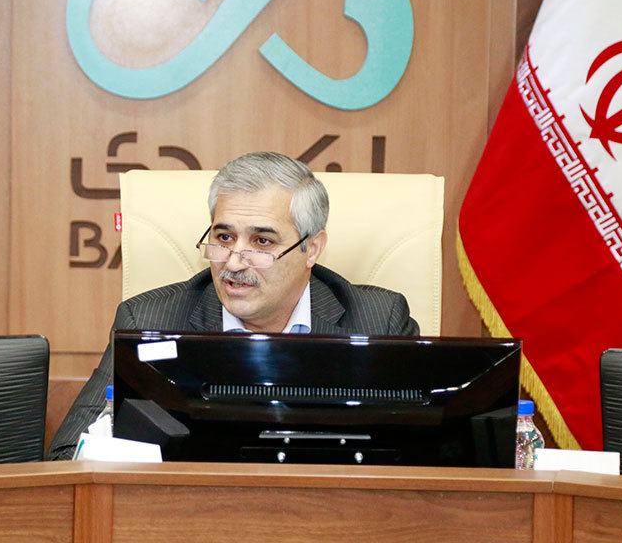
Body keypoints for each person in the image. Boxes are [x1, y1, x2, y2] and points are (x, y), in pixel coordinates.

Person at [48, 151, 418, 459]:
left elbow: (420, 458)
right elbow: (66, 456)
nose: (235, 261)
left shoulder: (378, 321)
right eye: (224, 237)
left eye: (262, 242)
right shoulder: (148, 320)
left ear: (312, 249)